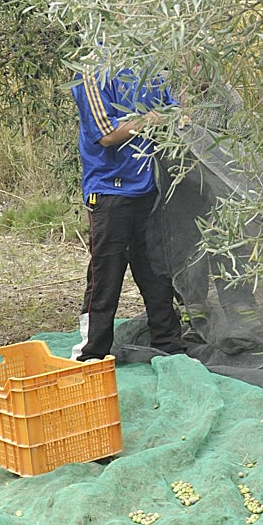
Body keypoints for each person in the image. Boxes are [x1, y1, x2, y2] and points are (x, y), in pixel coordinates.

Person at [70, 61, 185, 361]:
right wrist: (149, 120)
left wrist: (175, 116)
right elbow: (106, 133)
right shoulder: (91, 73)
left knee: (156, 271)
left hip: (149, 188)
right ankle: (92, 352)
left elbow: (173, 112)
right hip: (109, 191)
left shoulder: (150, 67)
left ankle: (169, 345)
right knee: (106, 274)